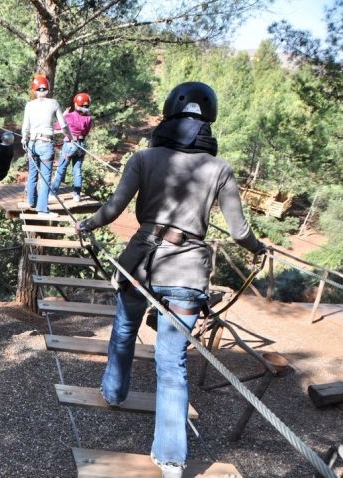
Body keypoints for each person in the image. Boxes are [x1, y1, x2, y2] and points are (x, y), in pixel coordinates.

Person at [74, 82, 267, 478]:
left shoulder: (143, 157)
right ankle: (172, 460)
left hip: (140, 263)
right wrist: (259, 248)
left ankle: (113, 392)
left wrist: (87, 224)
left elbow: (112, 210)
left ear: (168, 114)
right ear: (208, 120)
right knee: (173, 362)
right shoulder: (220, 169)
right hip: (188, 271)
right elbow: (238, 231)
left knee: (125, 329)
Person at [21, 75, 74, 216]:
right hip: (45, 144)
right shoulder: (54, 103)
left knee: (32, 173)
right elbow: (63, 126)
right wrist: (71, 138)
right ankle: (42, 209)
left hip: (32, 143)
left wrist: (24, 140)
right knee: (45, 177)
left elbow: (25, 127)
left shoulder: (29, 105)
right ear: (48, 89)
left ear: (35, 90)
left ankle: (32, 202)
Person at [51, 92, 93, 203]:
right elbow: (86, 131)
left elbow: (57, 126)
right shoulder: (88, 118)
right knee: (77, 170)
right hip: (81, 145)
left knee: (61, 169)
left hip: (70, 144)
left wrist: (63, 115)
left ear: (76, 104)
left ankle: (52, 193)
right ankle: (76, 195)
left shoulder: (69, 116)